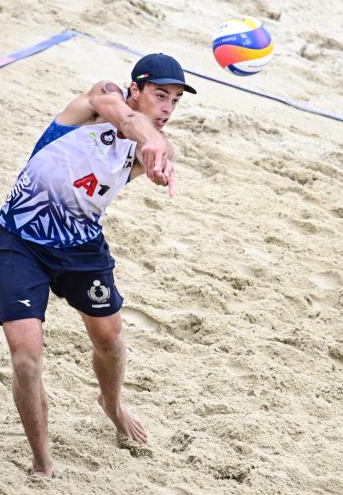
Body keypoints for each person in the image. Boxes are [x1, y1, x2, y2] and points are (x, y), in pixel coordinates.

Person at [0, 53, 196, 478]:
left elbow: (154, 149)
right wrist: (151, 139)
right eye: (160, 95)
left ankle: (112, 403)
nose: (167, 108)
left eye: (175, 101)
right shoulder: (98, 102)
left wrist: (160, 162)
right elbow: (125, 119)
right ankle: (42, 462)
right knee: (26, 356)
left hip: (81, 246)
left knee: (109, 340)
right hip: (18, 240)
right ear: (135, 90)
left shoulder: (150, 152)